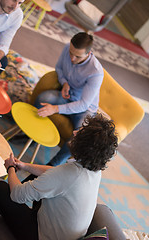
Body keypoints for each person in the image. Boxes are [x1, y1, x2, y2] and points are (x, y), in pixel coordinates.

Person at [0, 114, 118, 240]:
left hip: (40, 235)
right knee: (33, 181)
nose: (75, 132)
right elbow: (54, 175)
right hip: (61, 231)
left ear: (85, 146)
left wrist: (11, 168)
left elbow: (17, 196)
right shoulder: (93, 169)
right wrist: (24, 165)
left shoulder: (69, 174)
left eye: (80, 133)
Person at [35, 32, 104, 166]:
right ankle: (31, 136)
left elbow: (83, 104)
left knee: (80, 137)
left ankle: (51, 165)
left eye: (77, 56)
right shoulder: (68, 48)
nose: (72, 58)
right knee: (42, 98)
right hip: (67, 96)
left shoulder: (95, 72)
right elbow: (59, 68)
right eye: (71, 53)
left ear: (88, 54)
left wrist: (55, 109)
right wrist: (64, 82)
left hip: (84, 109)